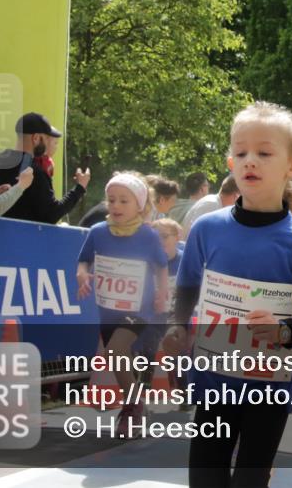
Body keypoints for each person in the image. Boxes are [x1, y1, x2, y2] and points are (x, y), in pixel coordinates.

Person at [162, 101, 292, 488]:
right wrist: (178, 326)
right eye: (241, 153)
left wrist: (285, 331)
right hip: (213, 378)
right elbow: (189, 285)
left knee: (249, 480)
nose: (250, 161)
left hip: (268, 386)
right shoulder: (207, 229)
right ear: (230, 163)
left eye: (263, 152)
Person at [75, 172, 169, 425]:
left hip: (140, 307)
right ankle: (135, 400)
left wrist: (162, 293)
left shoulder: (148, 235)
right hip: (107, 308)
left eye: (123, 201)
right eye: (111, 200)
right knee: (118, 357)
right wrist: (82, 276)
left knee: (117, 349)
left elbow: (161, 266)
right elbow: (84, 260)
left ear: (140, 205)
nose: (115, 205)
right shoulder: (97, 232)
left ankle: (132, 406)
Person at [0, 112, 91, 224]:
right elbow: (51, 214)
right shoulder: (34, 172)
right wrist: (79, 188)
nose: (48, 144)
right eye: (47, 138)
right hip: (25, 238)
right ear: (36, 138)